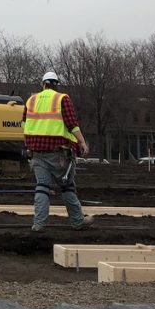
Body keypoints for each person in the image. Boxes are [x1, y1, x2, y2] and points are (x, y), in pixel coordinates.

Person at [23, 71, 94, 232]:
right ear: (56, 85)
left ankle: (38, 225)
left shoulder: (31, 100)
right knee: (67, 186)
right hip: (59, 153)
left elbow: (24, 124)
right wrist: (82, 142)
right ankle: (77, 221)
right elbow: (71, 124)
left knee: (41, 187)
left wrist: (28, 145)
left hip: (36, 152)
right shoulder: (62, 99)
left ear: (43, 84)